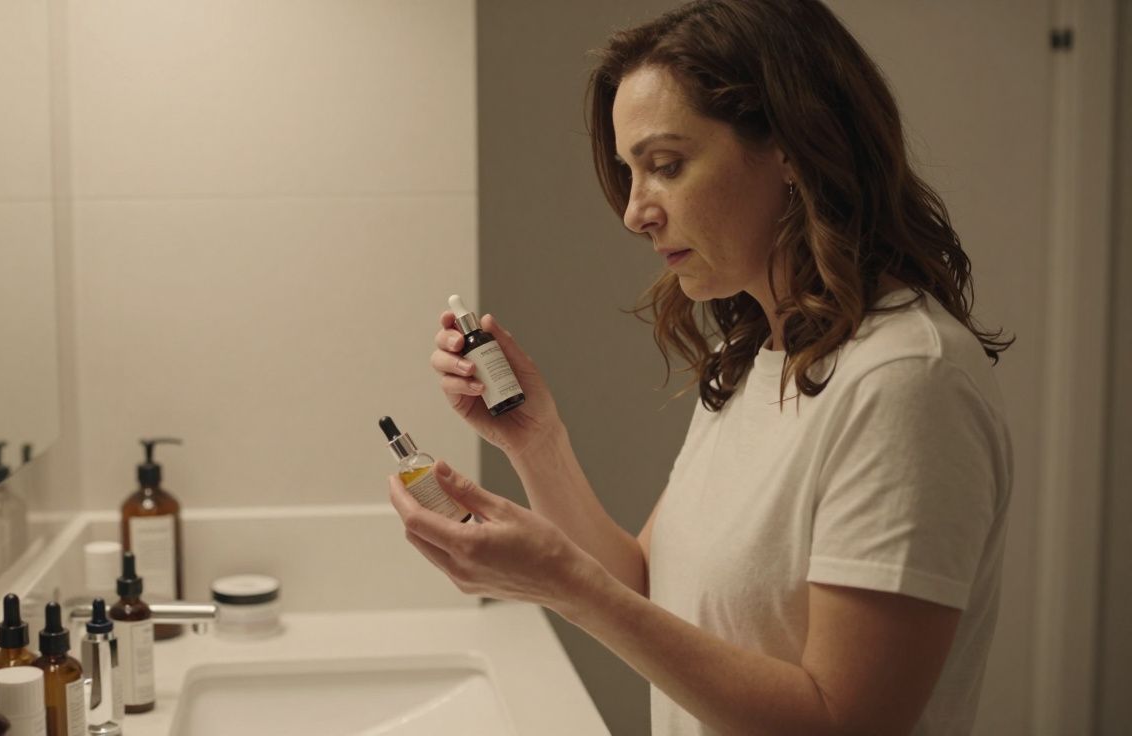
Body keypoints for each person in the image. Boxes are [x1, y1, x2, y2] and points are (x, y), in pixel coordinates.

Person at [385, 1, 1014, 733]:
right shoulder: (756, 357)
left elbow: (844, 720)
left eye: (666, 166)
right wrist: (537, 441)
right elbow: (649, 591)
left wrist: (567, 586)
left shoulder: (909, 381)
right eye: (630, 172)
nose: (635, 211)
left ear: (790, 147)